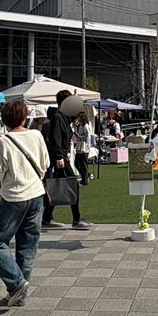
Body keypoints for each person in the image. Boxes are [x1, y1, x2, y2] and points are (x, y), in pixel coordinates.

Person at [0, 99, 50, 307]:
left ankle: (16, 284)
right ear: (25, 117)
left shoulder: (3, 142)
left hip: (14, 196)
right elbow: (45, 164)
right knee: (28, 244)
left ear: (5, 120)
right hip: (36, 194)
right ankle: (19, 290)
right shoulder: (37, 135)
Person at [42, 90, 94, 230]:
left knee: (57, 187)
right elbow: (55, 138)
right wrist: (59, 156)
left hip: (61, 157)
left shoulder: (63, 117)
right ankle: (76, 219)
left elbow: (74, 116)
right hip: (60, 158)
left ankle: (47, 217)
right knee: (72, 185)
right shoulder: (58, 118)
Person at [72, 113, 93, 186]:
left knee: (83, 164)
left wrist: (78, 135)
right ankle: (86, 175)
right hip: (79, 147)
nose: (78, 119)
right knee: (77, 164)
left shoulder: (85, 126)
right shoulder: (80, 126)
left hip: (84, 148)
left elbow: (87, 138)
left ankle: (85, 179)